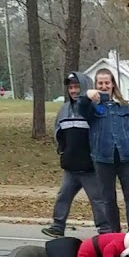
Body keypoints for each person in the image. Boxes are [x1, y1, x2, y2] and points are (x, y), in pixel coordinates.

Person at [83, 69, 129, 233]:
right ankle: (115, 234)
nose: (104, 86)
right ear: (96, 85)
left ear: (113, 85)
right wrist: (87, 95)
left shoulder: (123, 106)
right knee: (109, 199)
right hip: (103, 160)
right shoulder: (92, 107)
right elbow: (81, 109)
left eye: (107, 83)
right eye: (100, 83)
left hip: (126, 158)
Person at [44, 72, 106, 238]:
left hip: (90, 167)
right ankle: (57, 226)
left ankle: (105, 231)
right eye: (70, 87)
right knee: (63, 196)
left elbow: (103, 127)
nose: (73, 90)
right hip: (71, 167)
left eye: (77, 87)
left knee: (98, 200)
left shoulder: (94, 108)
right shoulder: (64, 109)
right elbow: (58, 133)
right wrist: (63, 152)